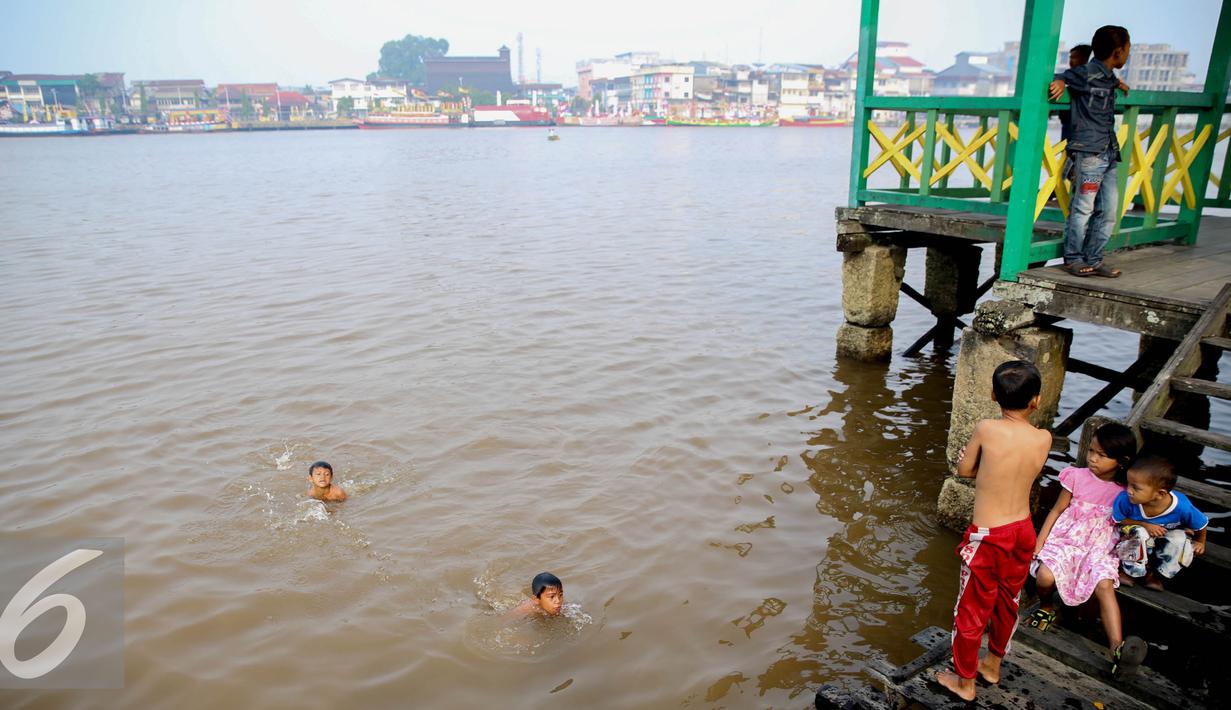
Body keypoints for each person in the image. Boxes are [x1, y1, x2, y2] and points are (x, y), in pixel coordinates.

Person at [936, 361, 1053, 702]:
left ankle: (965, 682)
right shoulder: (1043, 438)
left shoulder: (986, 429)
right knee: (1007, 601)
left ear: (992, 395)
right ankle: (992, 665)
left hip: (989, 536)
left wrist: (967, 460)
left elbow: (966, 470)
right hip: (1023, 531)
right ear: (1037, 400)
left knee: (970, 609)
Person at [1029, 422, 1147, 676]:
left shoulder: (1126, 492)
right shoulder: (1077, 476)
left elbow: (1133, 525)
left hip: (1100, 545)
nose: (1092, 458)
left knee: (1104, 585)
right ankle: (1047, 606)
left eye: (1101, 455)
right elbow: (1057, 510)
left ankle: (1118, 648)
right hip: (1067, 538)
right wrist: (1040, 540)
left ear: (1122, 460)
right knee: (1045, 576)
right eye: (1091, 451)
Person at [1049, 26, 1132, 278]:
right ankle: (1073, 258)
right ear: (1117, 52)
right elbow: (1063, 75)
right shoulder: (1085, 74)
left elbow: (1107, 80)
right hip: (1089, 154)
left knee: (1108, 211)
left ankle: (1094, 258)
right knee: (1083, 208)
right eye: (1128, 49)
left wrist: (1118, 83)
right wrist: (1062, 82)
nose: (1128, 54)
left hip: (1108, 151)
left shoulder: (1108, 76)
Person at [1112, 455, 1208, 590]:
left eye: (1135, 488)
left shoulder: (1182, 507)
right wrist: (1144, 525)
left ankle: (1156, 573)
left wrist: (1200, 541)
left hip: (1164, 538)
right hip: (1139, 537)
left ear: (1160, 494)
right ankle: (1130, 570)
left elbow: (1201, 524)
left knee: (1180, 539)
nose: (1128, 490)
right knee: (1138, 532)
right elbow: (1119, 519)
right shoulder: (1125, 499)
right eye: (1128, 484)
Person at [1057, 44, 1094, 144]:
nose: (1071, 61)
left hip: (1076, 126)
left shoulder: (1081, 71)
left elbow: (1058, 76)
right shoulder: (1097, 74)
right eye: (1070, 57)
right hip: (1089, 129)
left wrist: (1060, 80)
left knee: (1068, 152)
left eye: (1074, 57)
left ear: (1084, 58)